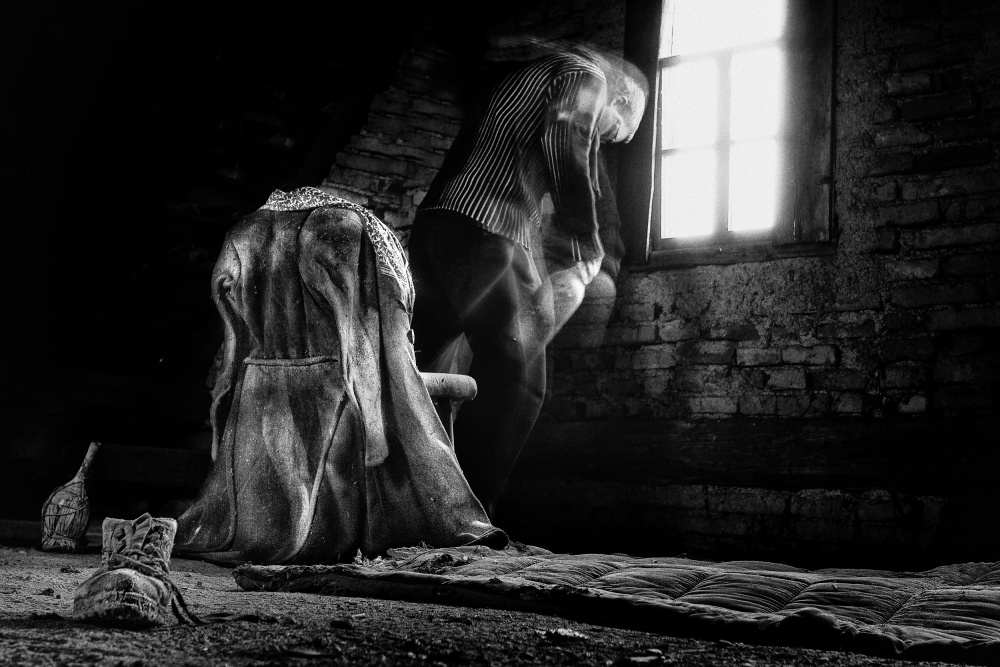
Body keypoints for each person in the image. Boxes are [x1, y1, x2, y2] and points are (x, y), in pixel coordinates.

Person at [407, 42, 648, 518]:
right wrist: (586, 239)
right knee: (518, 375)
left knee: (417, 372)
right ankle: (467, 516)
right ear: (620, 100)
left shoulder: (536, 73)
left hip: (438, 227)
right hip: (482, 228)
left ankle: (403, 504)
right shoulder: (584, 76)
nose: (603, 142)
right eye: (614, 133)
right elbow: (569, 141)